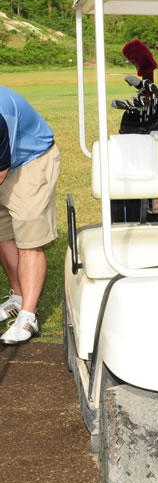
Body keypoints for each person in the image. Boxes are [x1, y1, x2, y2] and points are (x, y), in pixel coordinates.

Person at [0, 87, 61, 345]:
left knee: (29, 240)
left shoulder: (1, 116)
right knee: (3, 235)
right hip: (7, 163)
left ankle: (28, 316)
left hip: (31, 162)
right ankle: (17, 298)